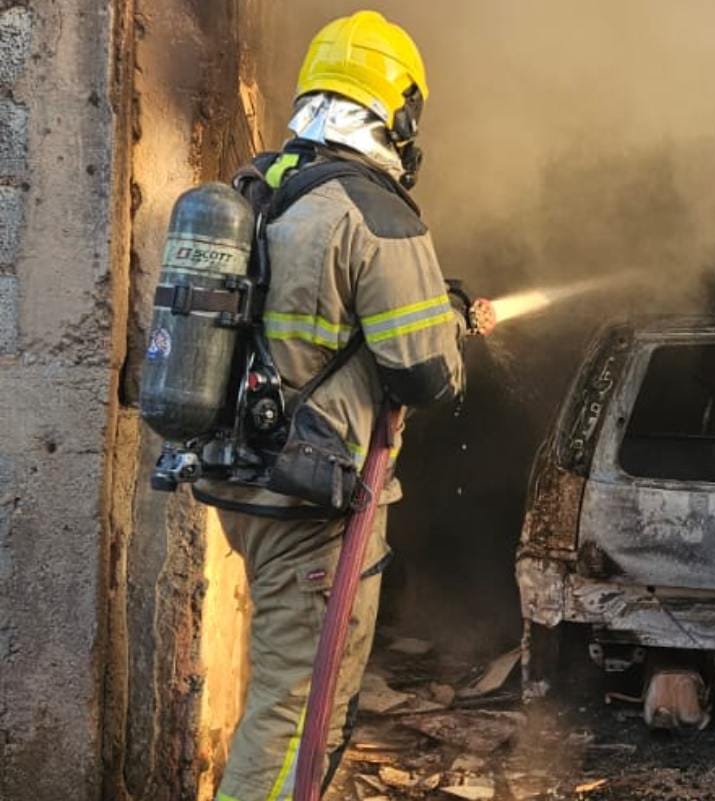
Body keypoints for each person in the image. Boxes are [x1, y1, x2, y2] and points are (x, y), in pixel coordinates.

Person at [197, 11, 490, 799]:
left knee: (287, 695)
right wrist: (449, 322)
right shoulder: (375, 213)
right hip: (311, 510)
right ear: (398, 112)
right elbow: (428, 375)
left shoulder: (262, 187)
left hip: (245, 483)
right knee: (297, 711)